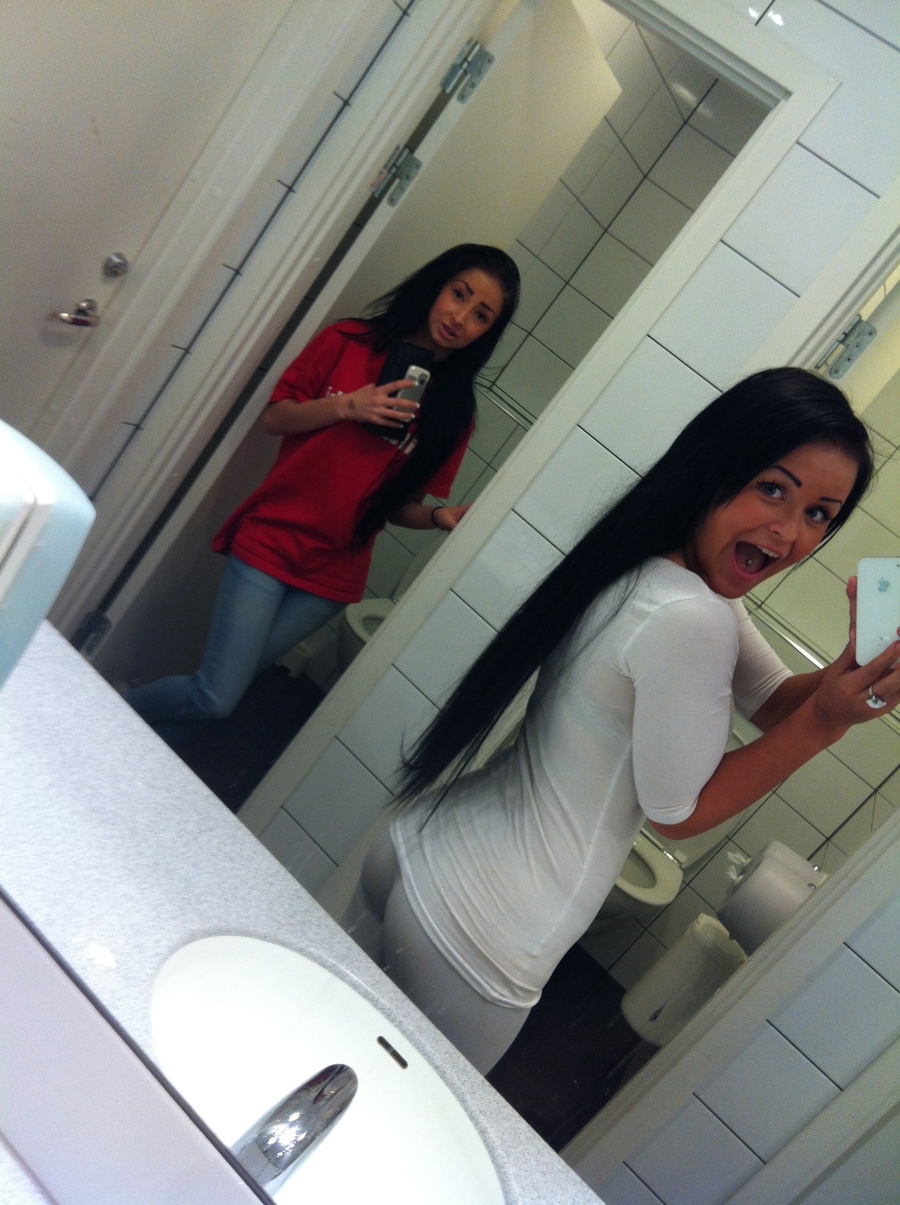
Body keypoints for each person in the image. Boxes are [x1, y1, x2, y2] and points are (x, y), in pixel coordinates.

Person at [343, 367, 900, 1074]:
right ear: (716, 463)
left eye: (819, 513)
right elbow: (678, 813)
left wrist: (849, 673)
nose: (789, 531)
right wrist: (826, 722)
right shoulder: (694, 614)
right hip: (480, 936)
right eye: (773, 489)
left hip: (421, 848)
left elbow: (769, 700)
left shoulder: (656, 560)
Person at [125, 244, 520, 739]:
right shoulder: (348, 341)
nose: (460, 318)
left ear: (487, 333)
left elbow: (400, 508)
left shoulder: (454, 413)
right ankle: (97, 712)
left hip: (333, 575)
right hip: (274, 536)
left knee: (222, 694)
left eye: (481, 315)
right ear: (436, 285)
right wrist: (348, 407)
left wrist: (440, 519)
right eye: (458, 294)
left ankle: (124, 757)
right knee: (215, 697)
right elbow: (276, 417)